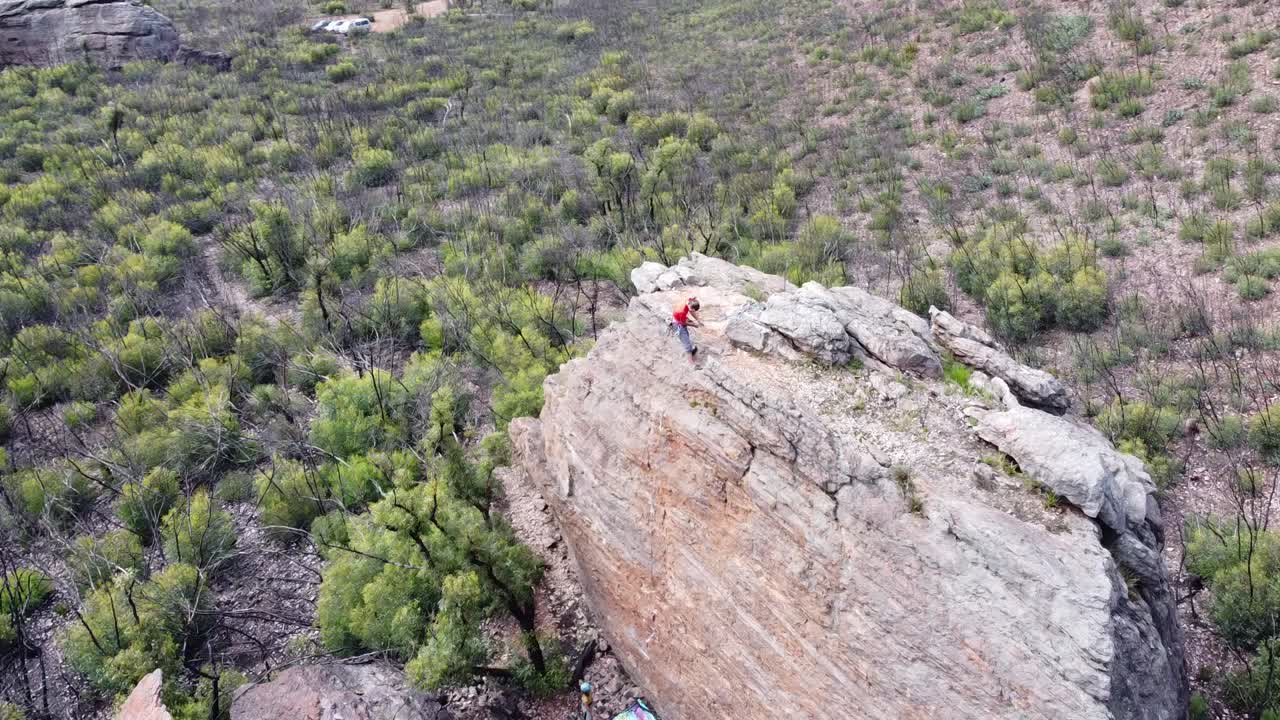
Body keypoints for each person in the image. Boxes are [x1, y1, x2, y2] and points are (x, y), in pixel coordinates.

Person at [672, 296, 701, 363]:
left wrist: (698, 320)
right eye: (691, 310)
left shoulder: (689, 301)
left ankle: (691, 351)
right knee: (686, 343)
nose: (691, 311)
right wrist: (694, 325)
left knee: (687, 337)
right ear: (690, 306)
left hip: (680, 318)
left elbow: (692, 311)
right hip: (678, 324)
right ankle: (691, 362)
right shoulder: (681, 311)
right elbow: (683, 323)